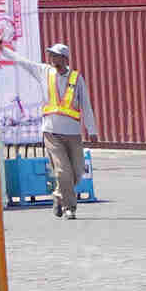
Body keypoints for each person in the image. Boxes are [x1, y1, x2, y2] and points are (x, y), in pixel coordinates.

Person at [40, 42, 91, 215]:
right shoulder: (45, 72)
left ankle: (58, 194)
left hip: (73, 133)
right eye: (51, 55)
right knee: (62, 172)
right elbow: (24, 63)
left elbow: (86, 104)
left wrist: (92, 130)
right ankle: (70, 208)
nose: (52, 58)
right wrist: (4, 50)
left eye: (55, 55)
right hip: (51, 132)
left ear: (65, 58)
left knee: (77, 172)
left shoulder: (76, 78)